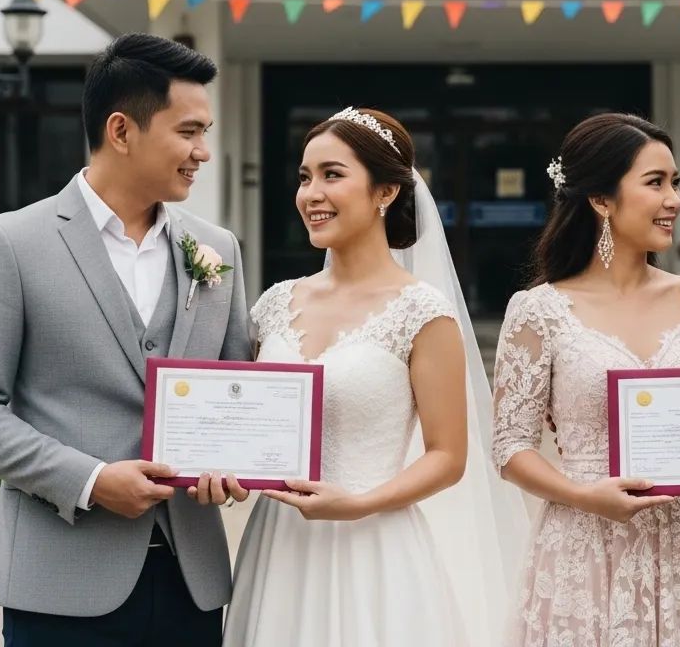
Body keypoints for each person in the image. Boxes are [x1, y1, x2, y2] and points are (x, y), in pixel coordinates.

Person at [0, 33, 251, 647]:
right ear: (121, 129)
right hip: (57, 582)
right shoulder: (10, 243)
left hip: (189, 583)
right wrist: (90, 480)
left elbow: (235, 397)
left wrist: (236, 466)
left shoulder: (217, 250)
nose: (204, 152)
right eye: (189, 132)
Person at [223, 106, 527, 647]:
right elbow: (244, 420)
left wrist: (358, 504)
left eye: (332, 175)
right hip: (279, 545)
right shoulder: (273, 304)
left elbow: (447, 456)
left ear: (385, 192)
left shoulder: (422, 311)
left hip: (374, 543)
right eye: (304, 177)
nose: (311, 193)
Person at [492, 112, 680, 646]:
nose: (673, 199)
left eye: (675, 183)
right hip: (583, 546)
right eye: (655, 183)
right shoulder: (538, 310)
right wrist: (585, 496)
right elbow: (511, 446)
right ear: (601, 200)